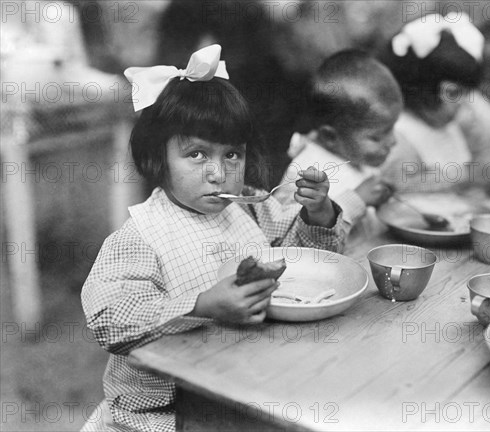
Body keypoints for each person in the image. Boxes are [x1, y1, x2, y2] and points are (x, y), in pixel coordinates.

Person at [80, 45, 348, 432]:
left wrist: (317, 213)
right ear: (158, 159)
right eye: (197, 154)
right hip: (161, 415)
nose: (218, 173)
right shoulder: (141, 236)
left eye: (232, 156)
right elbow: (109, 320)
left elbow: (309, 263)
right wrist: (203, 304)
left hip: (244, 392)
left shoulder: (249, 209)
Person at [274, 49, 403, 237]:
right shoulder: (307, 176)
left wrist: (380, 197)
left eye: (392, 128)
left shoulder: (351, 155)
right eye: (376, 137)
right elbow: (301, 236)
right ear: (330, 137)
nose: (393, 141)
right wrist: (358, 199)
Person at [379, 12, 484, 192]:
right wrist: (469, 176)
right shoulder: (401, 138)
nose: (463, 103)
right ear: (418, 88)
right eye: (453, 93)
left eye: (466, 93)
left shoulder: (448, 123)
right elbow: (401, 190)